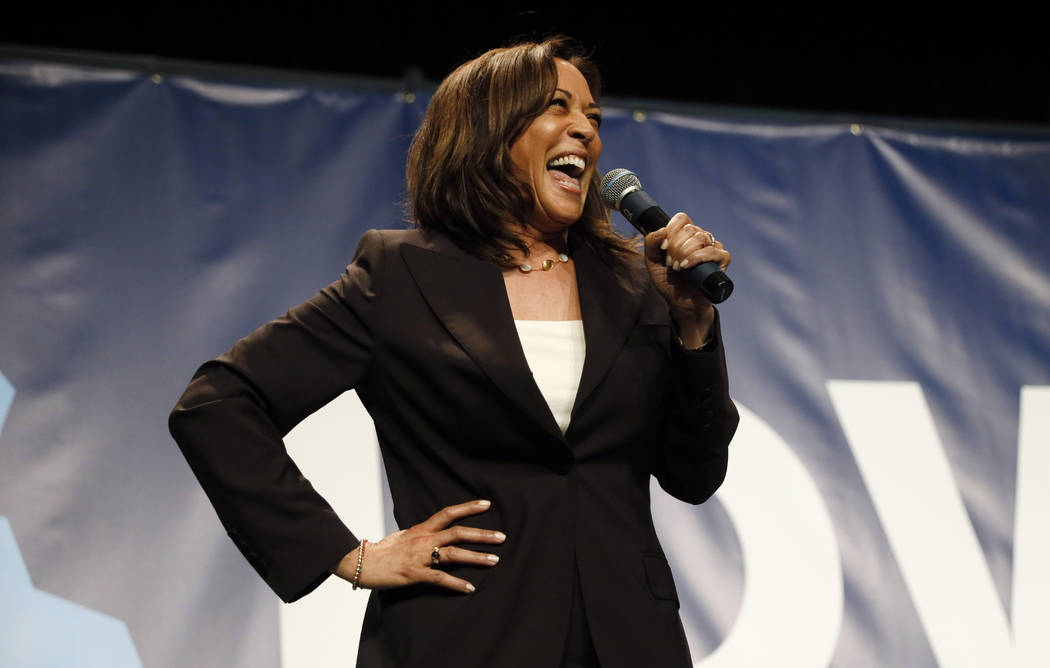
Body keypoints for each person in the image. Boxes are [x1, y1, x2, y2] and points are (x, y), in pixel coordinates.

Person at [169, 36, 738, 668]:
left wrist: (693, 326)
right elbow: (218, 404)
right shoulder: (401, 275)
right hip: (464, 635)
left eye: (594, 116)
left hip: (630, 640)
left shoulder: (636, 285)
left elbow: (694, 474)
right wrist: (350, 556)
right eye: (557, 107)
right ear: (487, 132)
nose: (585, 130)